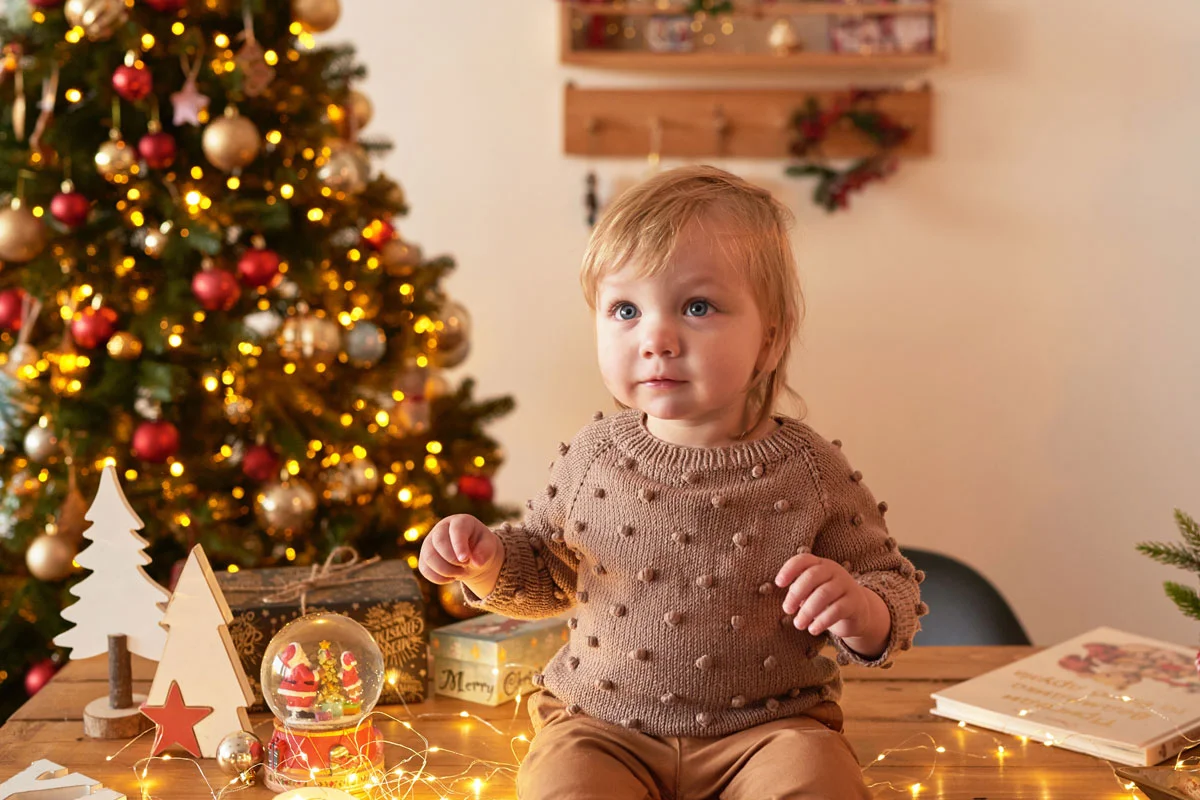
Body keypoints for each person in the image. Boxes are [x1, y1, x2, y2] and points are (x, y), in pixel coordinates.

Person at [419, 165, 926, 799]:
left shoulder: (812, 469)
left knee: (818, 781)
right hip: (602, 727)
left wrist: (861, 609)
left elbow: (893, 585)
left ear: (770, 339)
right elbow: (545, 574)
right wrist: (487, 561)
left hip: (769, 732)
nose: (656, 338)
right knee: (562, 786)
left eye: (697, 306)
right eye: (625, 310)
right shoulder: (592, 457)